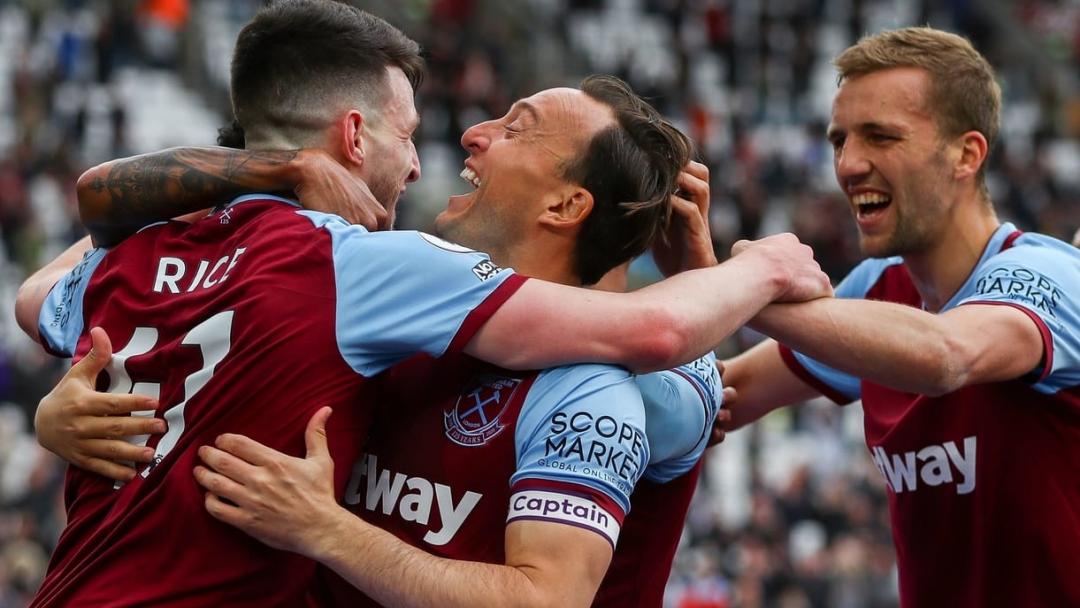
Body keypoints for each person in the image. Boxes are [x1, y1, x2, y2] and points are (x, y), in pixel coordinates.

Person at [14, 2, 828, 606]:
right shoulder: (381, 301)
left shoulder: (610, 387)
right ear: (354, 137)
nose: (464, 136)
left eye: (515, 127)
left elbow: (551, 592)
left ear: (565, 207)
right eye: (412, 134)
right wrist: (58, 415)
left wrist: (327, 531)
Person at [720, 27, 1080, 607]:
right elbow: (726, 395)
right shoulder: (878, 289)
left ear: (967, 154)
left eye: (880, 137)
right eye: (840, 139)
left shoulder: (1050, 277)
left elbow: (944, 355)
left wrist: (752, 290)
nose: (848, 163)